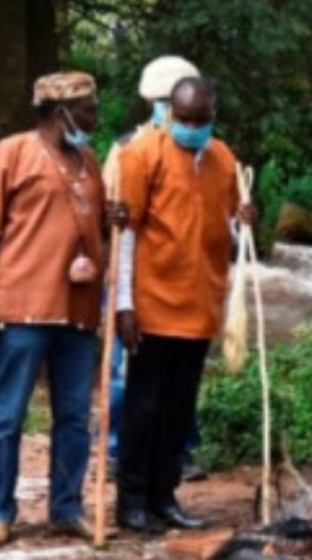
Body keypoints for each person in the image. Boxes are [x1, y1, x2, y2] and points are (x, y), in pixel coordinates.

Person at [0, 72, 105, 546]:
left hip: (78, 312)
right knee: (8, 415)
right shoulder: (10, 154)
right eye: (86, 109)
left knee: (76, 415)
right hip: (23, 309)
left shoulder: (89, 161)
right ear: (60, 113)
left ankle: (66, 507)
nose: (94, 116)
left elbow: (101, 224)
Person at [114, 77, 254, 533]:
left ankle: (164, 496)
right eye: (184, 119)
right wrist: (123, 304)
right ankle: (131, 500)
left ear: (213, 116)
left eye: (201, 120)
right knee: (143, 406)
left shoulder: (224, 159)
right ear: (170, 113)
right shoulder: (142, 153)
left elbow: (229, 231)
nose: (191, 127)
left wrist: (245, 221)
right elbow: (127, 231)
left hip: (200, 306)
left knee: (178, 408)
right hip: (152, 304)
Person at [101, 55, 206, 483]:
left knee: (178, 381)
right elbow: (118, 220)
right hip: (134, 278)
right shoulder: (129, 148)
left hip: (182, 283)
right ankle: (117, 452)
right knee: (128, 375)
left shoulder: (201, 150)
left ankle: (176, 451)